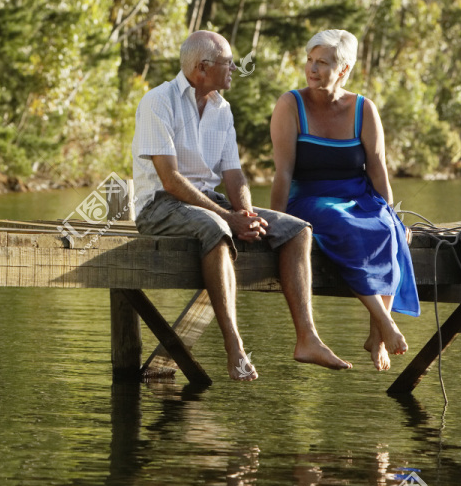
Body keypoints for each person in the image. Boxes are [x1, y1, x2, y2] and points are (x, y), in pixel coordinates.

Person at [132, 30, 352, 381]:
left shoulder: (222, 109)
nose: (235, 68)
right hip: (159, 204)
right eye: (228, 62)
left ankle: (307, 338)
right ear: (202, 68)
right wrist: (227, 219)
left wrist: (246, 214)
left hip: (207, 202)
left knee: (297, 230)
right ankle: (234, 347)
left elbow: (233, 175)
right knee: (217, 229)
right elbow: (170, 180)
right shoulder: (158, 102)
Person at [270, 29, 420, 371]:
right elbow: (283, 173)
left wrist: (392, 212)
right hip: (309, 200)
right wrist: (274, 223)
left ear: (344, 70)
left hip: (358, 196)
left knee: (386, 228)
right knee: (344, 224)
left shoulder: (364, 109)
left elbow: (378, 169)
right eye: (309, 60)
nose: (312, 68)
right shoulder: (290, 105)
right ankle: (385, 321)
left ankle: (376, 334)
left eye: (322, 62)